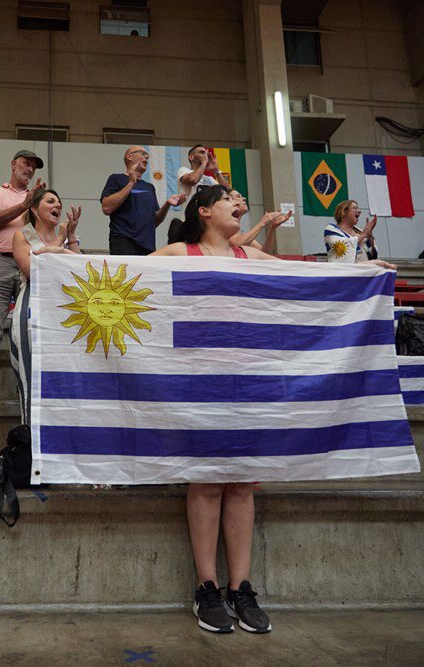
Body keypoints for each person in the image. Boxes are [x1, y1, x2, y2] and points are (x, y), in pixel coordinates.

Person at [151, 184, 278, 634]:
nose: (237, 204)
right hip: (196, 382)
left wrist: (365, 272)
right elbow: (117, 272)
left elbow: (309, 279)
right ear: (204, 211)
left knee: (242, 482)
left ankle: (241, 587)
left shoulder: (251, 256)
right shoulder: (178, 252)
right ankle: (207, 587)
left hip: (247, 381)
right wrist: (60, 259)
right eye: (227, 200)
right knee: (205, 481)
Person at [0, 149, 46, 400]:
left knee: (30, 329)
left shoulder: (37, 198)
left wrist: (40, 206)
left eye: (33, 167)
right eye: (26, 164)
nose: (29, 169)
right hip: (0, 261)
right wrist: (25, 206)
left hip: (29, 262)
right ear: (13, 164)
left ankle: (29, 388)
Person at [10, 189, 82, 423]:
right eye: (51, 201)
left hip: (62, 309)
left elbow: (81, 272)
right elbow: (32, 270)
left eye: (60, 203)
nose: (57, 206)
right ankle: (31, 440)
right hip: (33, 304)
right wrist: (59, 240)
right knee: (31, 378)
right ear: (34, 208)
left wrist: (70, 236)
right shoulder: (23, 235)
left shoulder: (66, 235)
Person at [101, 146, 186, 255]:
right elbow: (106, 208)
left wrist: (167, 204)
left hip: (147, 245)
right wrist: (131, 183)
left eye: (147, 155)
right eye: (142, 153)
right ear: (129, 157)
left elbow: (153, 222)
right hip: (123, 242)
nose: (146, 157)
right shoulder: (116, 179)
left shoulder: (149, 187)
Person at [228, 189, 291, 254]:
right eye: (238, 197)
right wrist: (262, 222)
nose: (244, 198)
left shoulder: (242, 233)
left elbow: (264, 252)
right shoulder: (225, 226)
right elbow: (237, 245)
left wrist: (273, 228)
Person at [324, 200, 380, 264]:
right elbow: (343, 247)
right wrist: (364, 234)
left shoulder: (360, 232)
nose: (360, 211)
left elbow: (373, 257)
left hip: (365, 272)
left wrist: (370, 237)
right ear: (344, 211)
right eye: (355, 208)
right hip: (346, 272)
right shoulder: (332, 230)